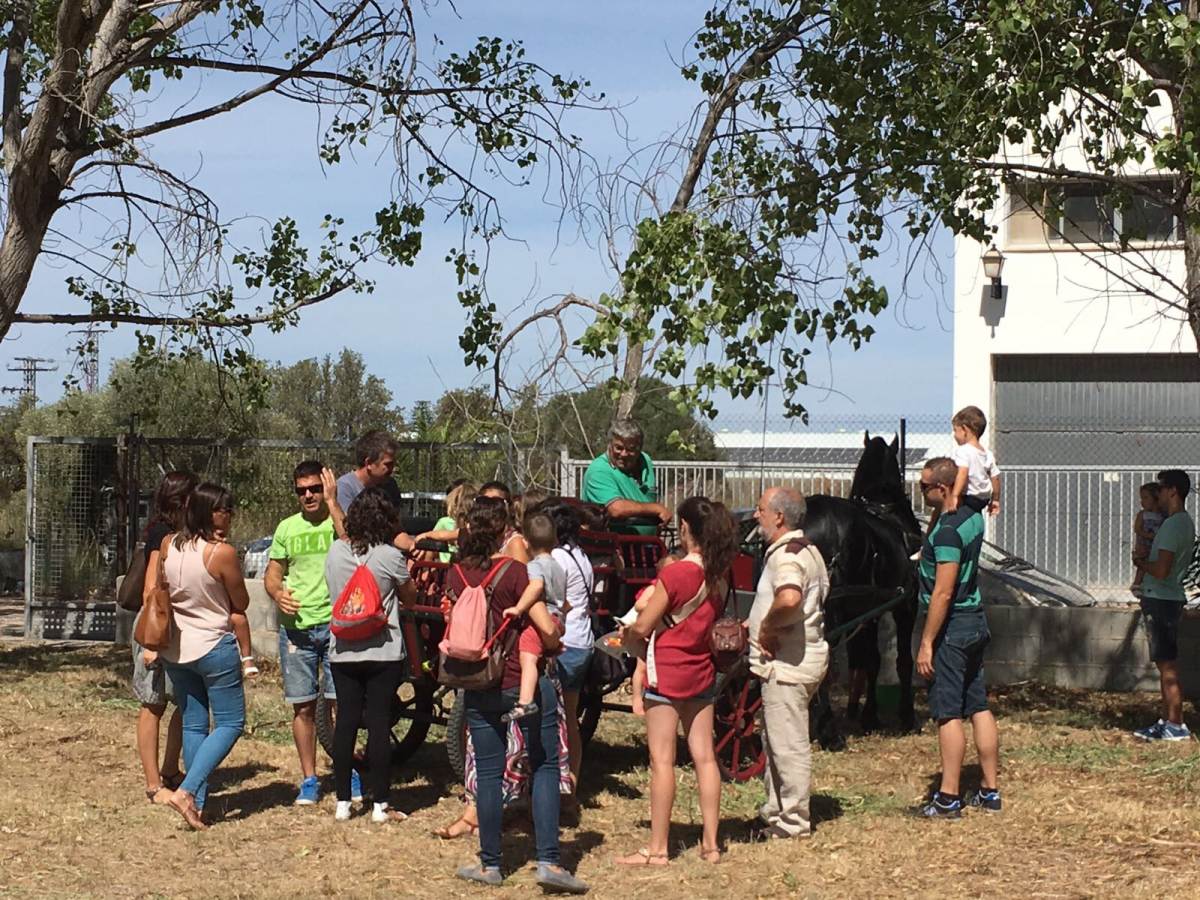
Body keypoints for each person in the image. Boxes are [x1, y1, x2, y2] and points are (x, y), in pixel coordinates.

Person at [449, 501, 588, 894]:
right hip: (521, 681)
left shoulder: (456, 573)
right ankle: (548, 860)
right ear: (503, 534)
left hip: (479, 683)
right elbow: (546, 630)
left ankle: (491, 864)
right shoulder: (516, 572)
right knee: (543, 765)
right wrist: (556, 636)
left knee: (488, 774)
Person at [617, 496, 736, 865]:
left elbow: (644, 623)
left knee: (663, 761)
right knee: (705, 758)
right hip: (701, 671)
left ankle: (658, 848)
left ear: (685, 529)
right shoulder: (720, 575)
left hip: (666, 672)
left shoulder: (676, 573)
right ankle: (711, 844)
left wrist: (628, 635)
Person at [157, 482, 251, 830]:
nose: (227, 514)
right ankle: (188, 791)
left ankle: (195, 801)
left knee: (194, 723)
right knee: (230, 723)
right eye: (221, 508)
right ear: (205, 511)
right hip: (214, 644)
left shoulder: (170, 544)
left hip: (177, 648)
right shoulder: (220, 553)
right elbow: (240, 602)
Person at [264, 460, 355, 806]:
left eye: (315, 488)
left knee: (341, 705)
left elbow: (352, 543)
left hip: (337, 627)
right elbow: (273, 573)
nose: (308, 495)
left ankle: (347, 770)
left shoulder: (338, 522)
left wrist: (334, 504)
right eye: (301, 490)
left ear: (326, 486)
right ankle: (309, 779)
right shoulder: (286, 528)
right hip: (297, 632)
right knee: (302, 708)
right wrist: (277, 593)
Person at [324, 487, 417, 822]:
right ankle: (380, 803)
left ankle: (343, 802)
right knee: (378, 724)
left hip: (343, 649)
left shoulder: (335, 551)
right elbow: (409, 597)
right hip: (383, 649)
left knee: (346, 722)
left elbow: (333, 590)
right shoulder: (390, 556)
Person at [914, 457, 1001, 818]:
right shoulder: (970, 517)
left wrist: (927, 641)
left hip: (953, 627)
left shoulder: (949, 532)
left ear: (942, 488)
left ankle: (948, 797)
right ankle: (989, 790)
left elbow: (943, 593)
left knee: (948, 711)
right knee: (977, 705)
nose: (919, 492)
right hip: (976, 622)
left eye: (924, 487)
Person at [748, 487, 830, 839]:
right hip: (797, 660)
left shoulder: (787, 557)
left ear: (779, 517)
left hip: (788, 665)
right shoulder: (806, 548)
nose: (756, 515)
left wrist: (766, 627)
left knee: (788, 744)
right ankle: (775, 810)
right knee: (776, 739)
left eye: (761, 509)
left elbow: (790, 598)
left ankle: (793, 823)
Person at [133, 471, 193, 804]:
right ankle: (154, 784)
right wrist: (153, 644)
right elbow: (150, 591)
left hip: (178, 631)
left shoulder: (184, 534)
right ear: (183, 500)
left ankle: (171, 770)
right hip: (157, 630)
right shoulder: (161, 533)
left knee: (185, 702)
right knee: (153, 704)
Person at [1132, 469, 1196, 742]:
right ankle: (1167, 720)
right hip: (1163, 598)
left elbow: (1161, 570)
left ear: (1173, 492)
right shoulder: (1177, 522)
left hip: (1162, 599)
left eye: (1160, 488)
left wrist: (1141, 563)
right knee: (1164, 664)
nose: (1156, 494)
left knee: (1168, 666)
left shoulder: (1173, 525)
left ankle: (1176, 724)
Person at [545, 501, 594, 790]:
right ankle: (571, 781)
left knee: (551, 719)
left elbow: (555, 601)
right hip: (583, 641)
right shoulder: (580, 556)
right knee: (571, 719)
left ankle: (552, 781)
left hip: (565, 642)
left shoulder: (556, 559)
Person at [502, 511, 568, 722]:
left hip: (544, 617)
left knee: (527, 656)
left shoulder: (534, 566)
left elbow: (536, 586)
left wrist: (519, 608)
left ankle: (525, 701)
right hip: (557, 617)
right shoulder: (558, 567)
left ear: (526, 543)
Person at [582, 419, 671, 535]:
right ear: (610, 445)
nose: (623, 454)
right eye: (618, 448)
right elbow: (616, 509)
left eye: (631, 449)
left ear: (639, 448)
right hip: (611, 549)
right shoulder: (598, 470)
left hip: (649, 546)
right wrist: (656, 509)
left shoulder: (646, 461)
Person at [623, 550, 684, 717]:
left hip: (658, 632)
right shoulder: (654, 588)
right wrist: (656, 606)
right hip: (644, 632)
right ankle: (636, 699)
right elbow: (638, 606)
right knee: (641, 666)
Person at [947, 405, 1001, 516]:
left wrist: (954, 495)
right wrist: (995, 500)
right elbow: (995, 478)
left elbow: (963, 473)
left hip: (968, 498)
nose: (954, 435)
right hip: (983, 499)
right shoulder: (987, 454)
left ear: (964, 429)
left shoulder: (963, 451)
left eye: (955, 430)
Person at [417, 480, 476, 562]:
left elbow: (444, 535)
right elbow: (432, 548)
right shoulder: (445, 522)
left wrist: (427, 535)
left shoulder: (471, 528)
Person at [480, 480, 530, 563]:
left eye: (496, 503)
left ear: (508, 508)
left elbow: (521, 575)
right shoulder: (480, 538)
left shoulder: (515, 543)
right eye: (484, 502)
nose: (490, 507)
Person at [1132, 483, 1164, 591]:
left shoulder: (1163, 515)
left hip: (1156, 546)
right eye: (1141, 498)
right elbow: (1137, 529)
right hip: (1144, 544)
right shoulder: (1142, 514)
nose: (1142, 501)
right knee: (1142, 564)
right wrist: (1148, 536)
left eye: (1146, 497)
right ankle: (1136, 584)